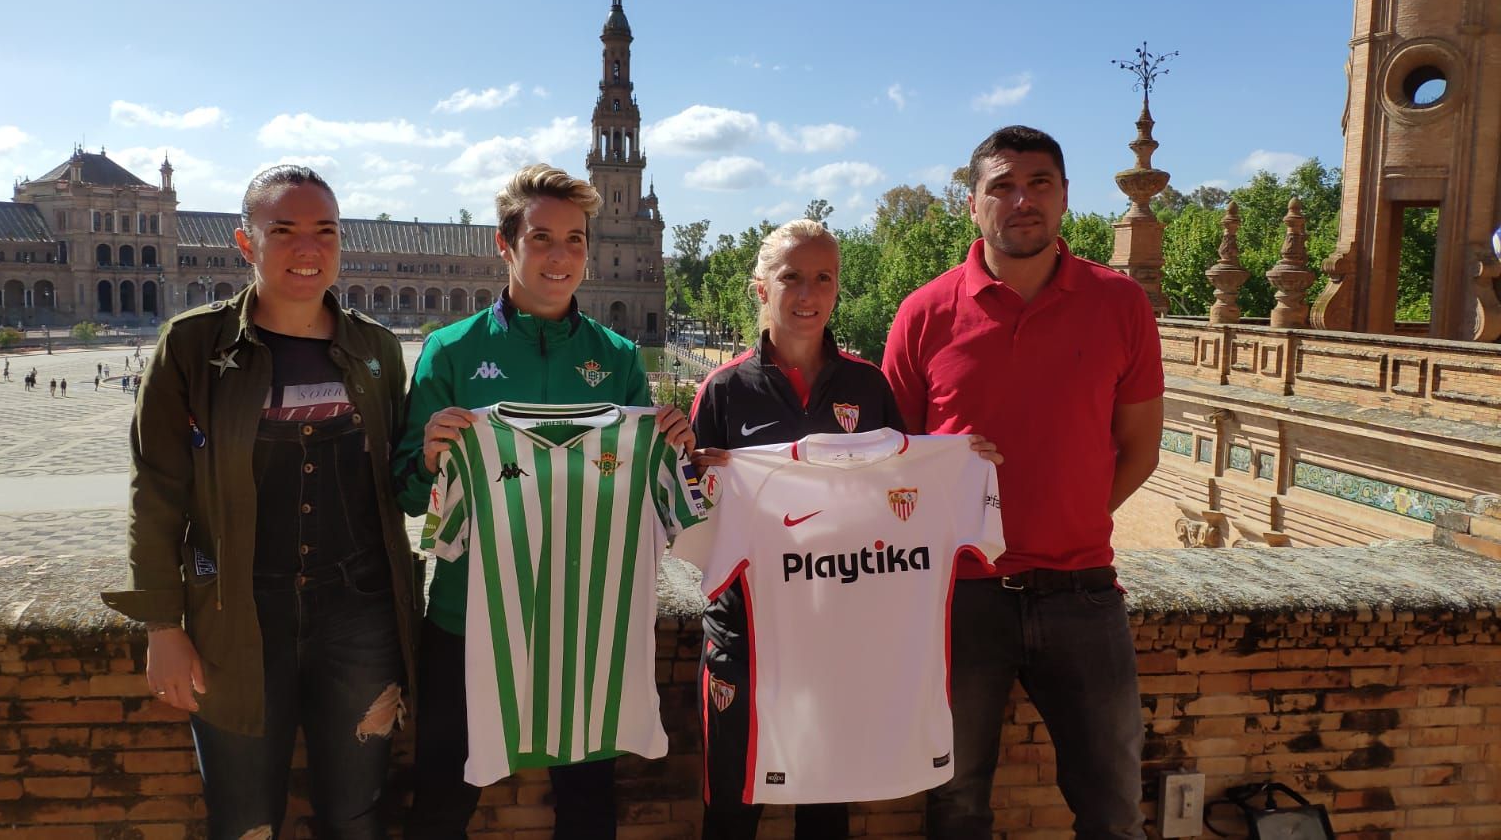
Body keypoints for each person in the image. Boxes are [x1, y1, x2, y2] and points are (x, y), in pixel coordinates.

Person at [102, 165, 421, 840]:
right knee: (244, 820)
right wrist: (162, 624)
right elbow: (155, 491)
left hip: (360, 614)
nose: (308, 249)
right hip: (235, 618)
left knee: (358, 816)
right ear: (245, 244)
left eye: (324, 231)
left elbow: (399, 481)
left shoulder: (376, 349)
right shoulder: (192, 345)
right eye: (285, 231)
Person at [394, 163, 695, 840]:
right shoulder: (451, 352)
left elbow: (647, 491)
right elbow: (409, 494)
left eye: (575, 241)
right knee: (443, 799)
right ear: (505, 245)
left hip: (583, 619)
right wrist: (432, 455)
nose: (560, 257)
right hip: (467, 615)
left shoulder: (616, 357)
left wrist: (673, 444)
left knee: (588, 808)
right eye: (541, 239)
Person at [882, 125, 1164, 840]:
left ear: (1065, 197)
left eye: (1039, 183)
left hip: (1083, 594)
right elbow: (895, 465)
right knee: (955, 804)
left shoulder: (1119, 304)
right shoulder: (924, 314)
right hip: (961, 597)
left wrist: (1066, 517)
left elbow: (1139, 450)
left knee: (1113, 807)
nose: (1022, 200)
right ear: (972, 204)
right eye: (1002, 186)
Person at [687, 220, 1000, 840]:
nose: (808, 293)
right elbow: (691, 517)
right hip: (746, 637)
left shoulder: (866, 384)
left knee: (827, 807)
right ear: (760, 289)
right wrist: (695, 478)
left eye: (823, 278)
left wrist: (960, 461)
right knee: (730, 807)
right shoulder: (723, 390)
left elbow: (895, 486)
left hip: (838, 636)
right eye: (792, 277)